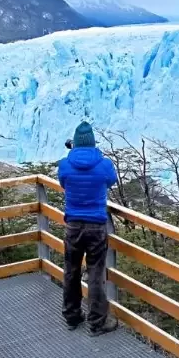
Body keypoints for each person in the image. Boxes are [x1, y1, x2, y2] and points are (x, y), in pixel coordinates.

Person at [58, 121, 119, 335]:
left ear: (74, 144)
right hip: (96, 227)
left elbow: (64, 183)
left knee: (71, 271)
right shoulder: (104, 164)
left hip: (73, 226)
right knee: (95, 274)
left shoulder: (65, 164)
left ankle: (72, 316)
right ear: (93, 143)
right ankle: (97, 322)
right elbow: (111, 181)